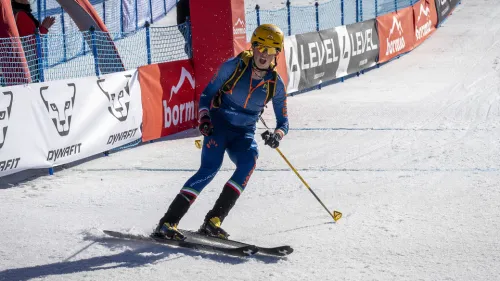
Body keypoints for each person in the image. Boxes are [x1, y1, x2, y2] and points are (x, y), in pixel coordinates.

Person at [154, 24, 289, 241]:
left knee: (249, 162)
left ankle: (213, 221)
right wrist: (205, 117)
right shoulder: (233, 67)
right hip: (219, 125)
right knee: (210, 169)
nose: (264, 55)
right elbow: (207, 94)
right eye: (261, 48)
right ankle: (168, 222)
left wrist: (277, 135)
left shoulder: (276, 84)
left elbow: (284, 122)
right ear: (253, 47)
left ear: (277, 54)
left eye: (271, 50)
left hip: (244, 133)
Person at [11, 0, 55, 82]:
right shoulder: (21, 15)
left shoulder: (15, 13)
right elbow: (32, 40)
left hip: (19, 64)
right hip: (27, 63)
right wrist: (44, 28)